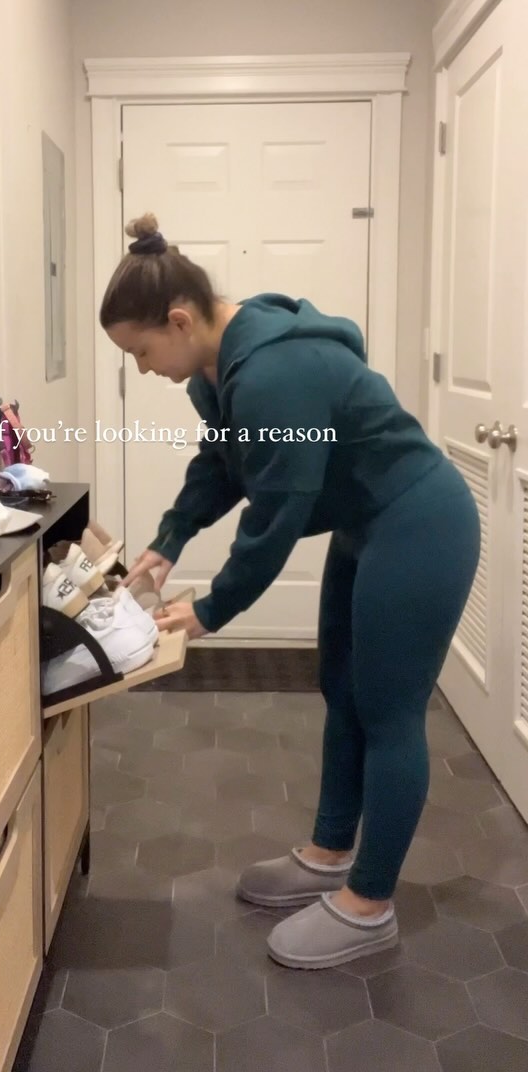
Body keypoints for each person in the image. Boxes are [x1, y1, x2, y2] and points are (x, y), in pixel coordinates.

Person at [99, 212, 480, 971]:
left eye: (141, 351)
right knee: (342, 688)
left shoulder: (275, 373)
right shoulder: (217, 371)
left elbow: (276, 512)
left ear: (179, 320)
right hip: (365, 525)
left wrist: (212, 609)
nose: (141, 369)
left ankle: (370, 906)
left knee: (390, 711)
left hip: (418, 522)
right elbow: (222, 462)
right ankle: (330, 855)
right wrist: (169, 540)